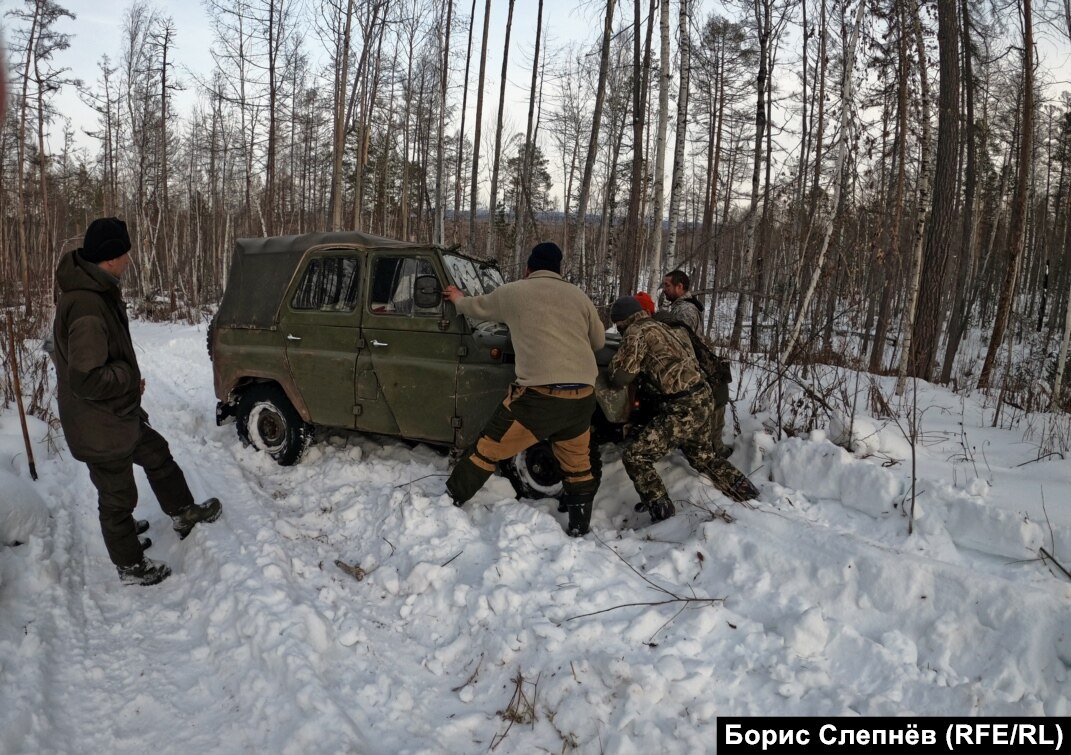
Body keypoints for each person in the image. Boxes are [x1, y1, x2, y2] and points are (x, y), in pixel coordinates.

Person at [53, 218, 222, 586]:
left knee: (157, 452)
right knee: (117, 497)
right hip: (99, 423)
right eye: (124, 252)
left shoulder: (96, 291)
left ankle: (182, 512)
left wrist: (125, 387)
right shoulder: (86, 305)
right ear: (110, 256)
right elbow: (86, 377)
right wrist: (128, 379)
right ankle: (130, 566)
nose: (129, 258)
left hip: (117, 413)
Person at [443, 242, 604, 537]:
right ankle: (580, 528)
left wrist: (458, 298)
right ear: (559, 269)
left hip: (539, 397)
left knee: (488, 447)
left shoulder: (515, 292)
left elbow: (477, 307)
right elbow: (598, 342)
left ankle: (450, 499)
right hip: (582, 396)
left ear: (529, 268)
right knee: (577, 463)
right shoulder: (578, 296)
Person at [607, 296, 757, 524]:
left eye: (617, 326)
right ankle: (746, 491)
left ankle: (662, 512)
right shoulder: (659, 326)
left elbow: (621, 377)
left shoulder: (635, 332)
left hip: (681, 406)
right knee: (702, 456)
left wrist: (614, 364)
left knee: (636, 456)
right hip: (701, 397)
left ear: (621, 322)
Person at [655, 269, 732, 457]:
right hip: (689, 365)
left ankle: (714, 450)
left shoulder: (685, 310)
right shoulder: (680, 306)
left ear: (680, 287)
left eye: (667, 285)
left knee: (711, 405)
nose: (664, 289)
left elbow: (682, 339)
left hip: (692, 366)